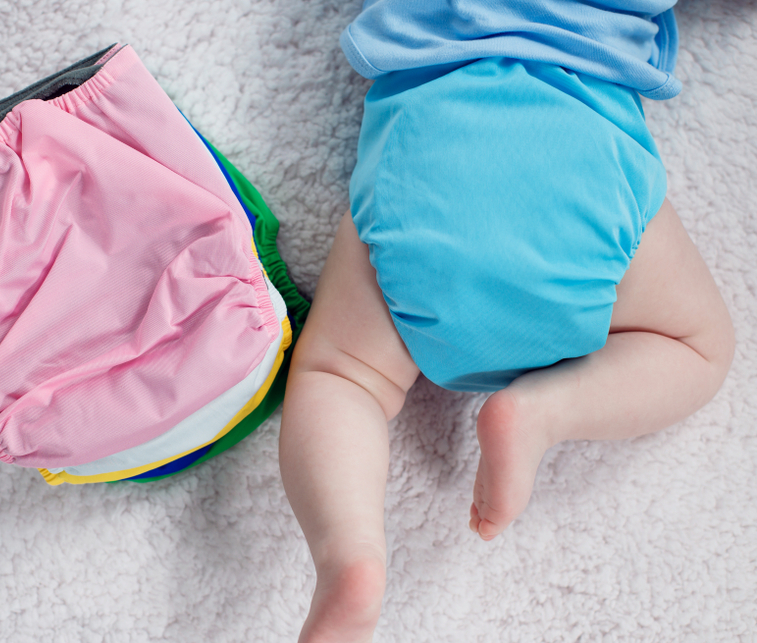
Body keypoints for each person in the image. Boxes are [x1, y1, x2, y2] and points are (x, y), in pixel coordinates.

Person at [278, 2, 736, 641]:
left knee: (343, 378)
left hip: (429, 149)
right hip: (580, 157)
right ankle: (545, 411)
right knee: (697, 348)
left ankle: (347, 555)